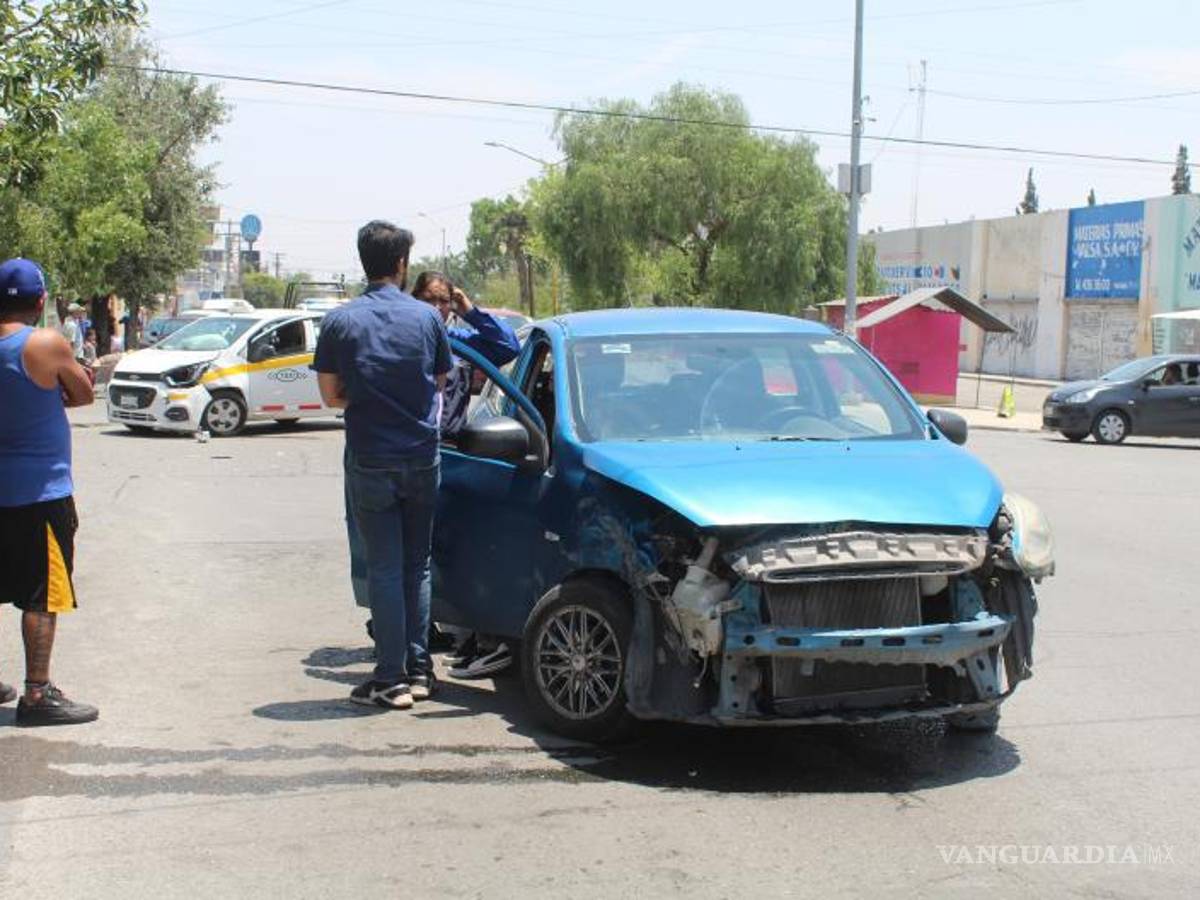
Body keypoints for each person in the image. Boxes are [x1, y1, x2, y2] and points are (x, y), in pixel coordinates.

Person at [313, 222, 452, 712]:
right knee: (418, 566)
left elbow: (330, 396)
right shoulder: (428, 319)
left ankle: (390, 677)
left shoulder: (341, 321)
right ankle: (419, 671)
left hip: (371, 457)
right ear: (400, 265)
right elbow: (438, 382)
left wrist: (365, 394)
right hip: (422, 456)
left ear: (363, 261)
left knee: (386, 569)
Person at [0, 258, 99, 727]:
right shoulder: (44, 343)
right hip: (39, 492)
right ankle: (36, 695)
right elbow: (83, 395)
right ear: (41, 302)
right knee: (41, 594)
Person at [410, 271, 522, 678]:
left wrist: (469, 309)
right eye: (429, 299)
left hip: (454, 456)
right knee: (415, 550)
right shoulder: (409, 343)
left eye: (444, 301)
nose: (438, 308)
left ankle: (480, 638)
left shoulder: (458, 344)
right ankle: (421, 631)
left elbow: (507, 346)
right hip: (412, 453)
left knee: (458, 551)